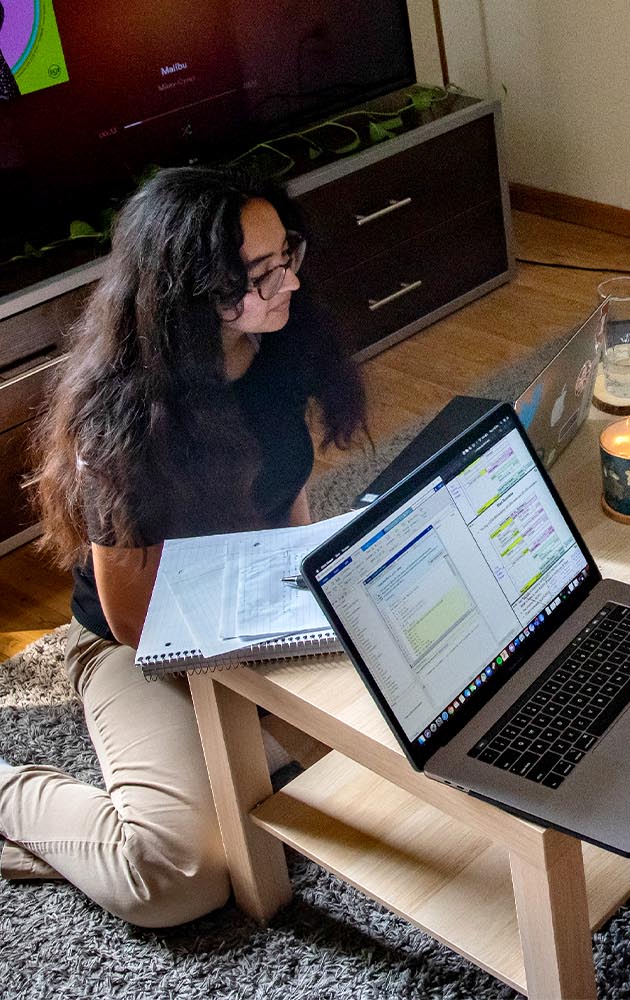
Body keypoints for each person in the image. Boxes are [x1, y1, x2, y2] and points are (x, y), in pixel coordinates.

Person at [0, 166, 366, 927]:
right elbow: (133, 619)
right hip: (144, 646)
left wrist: (305, 611)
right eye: (258, 275)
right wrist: (255, 691)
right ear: (187, 290)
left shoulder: (280, 343)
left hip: (255, 608)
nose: (289, 283)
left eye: (286, 256)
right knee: (182, 879)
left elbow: (285, 497)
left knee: (387, 752)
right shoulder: (120, 416)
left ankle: (228, 780)